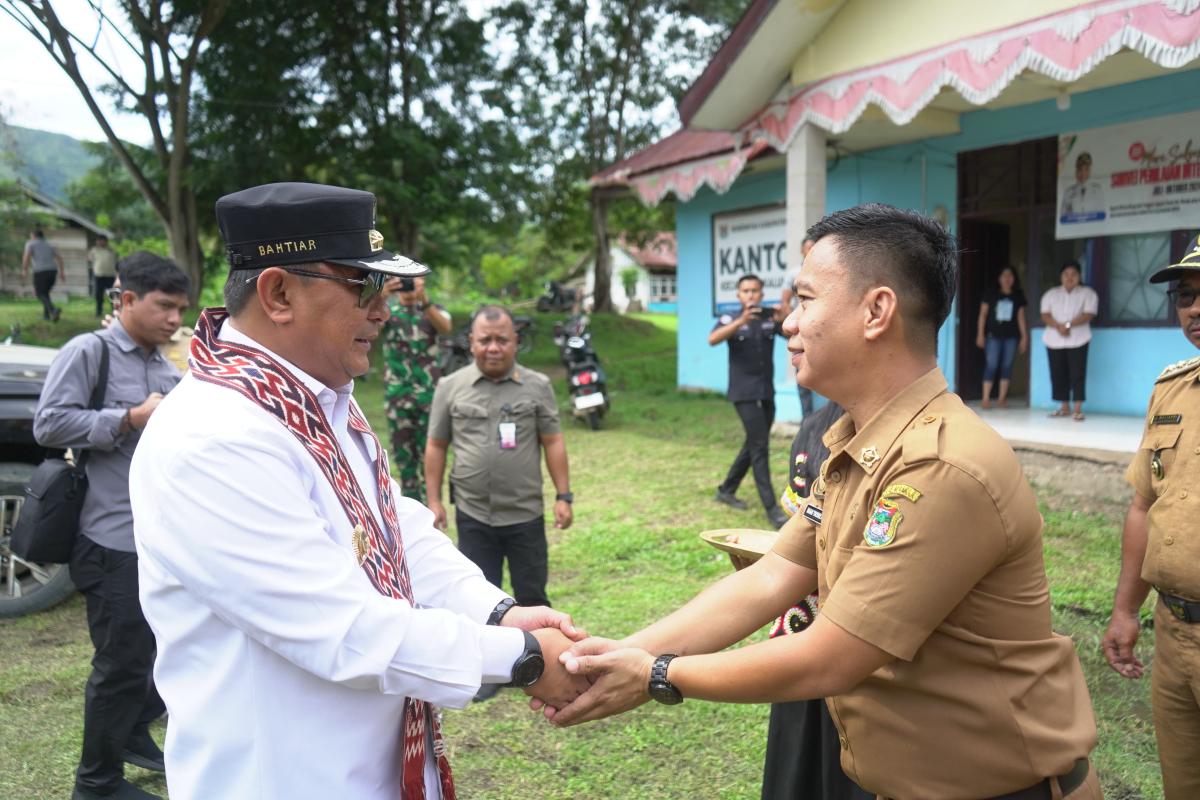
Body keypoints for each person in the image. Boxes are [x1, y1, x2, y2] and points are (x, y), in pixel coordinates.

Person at [543, 204, 1102, 800]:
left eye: (805, 299)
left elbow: (831, 656)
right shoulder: (857, 442)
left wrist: (656, 675)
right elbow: (772, 578)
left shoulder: (940, 464)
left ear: (876, 311)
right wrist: (630, 650)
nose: (788, 322)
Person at [128, 182, 587, 799]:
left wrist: (496, 611)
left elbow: (394, 535)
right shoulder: (214, 437)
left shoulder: (313, 401)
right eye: (362, 286)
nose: (383, 309)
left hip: (372, 763)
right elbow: (341, 628)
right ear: (279, 292)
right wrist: (523, 657)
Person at [34, 253, 191, 800]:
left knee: (161, 651)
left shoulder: (161, 362)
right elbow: (49, 424)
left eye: (180, 309)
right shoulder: (89, 351)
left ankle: (131, 738)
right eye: (164, 306)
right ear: (126, 300)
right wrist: (127, 418)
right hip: (110, 538)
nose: (174, 318)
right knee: (121, 664)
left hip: (157, 539)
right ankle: (95, 783)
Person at [1102, 234, 1200, 799]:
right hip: (1174, 633)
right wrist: (1124, 612)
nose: (1195, 309)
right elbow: (1144, 506)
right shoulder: (1171, 389)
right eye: (1186, 296)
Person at [425, 306, 572, 620]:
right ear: (471, 342)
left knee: (533, 601)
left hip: (525, 515)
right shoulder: (450, 387)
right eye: (485, 340)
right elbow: (437, 445)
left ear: (515, 341)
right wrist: (434, 500)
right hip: (474, 515)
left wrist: (564, 495)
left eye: (502, 340)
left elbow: (553, 441)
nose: (493, 347)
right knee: (480, 604)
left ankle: (539, 666)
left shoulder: (538, 386)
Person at [761, 400, 870, 800]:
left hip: (865, 653)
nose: (789, 332)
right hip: (804, 630)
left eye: (800, 328)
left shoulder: (927, 447)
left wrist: (661, 673)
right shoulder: (816, 428)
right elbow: (796, 541)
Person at [709, 274, 788, 529]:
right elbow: (713, 339)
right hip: (743, 393)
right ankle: (772, 509)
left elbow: (789, 334)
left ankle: (727, 489)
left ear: (762, 294)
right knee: (760, 447)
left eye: (755, 290)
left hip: (766, 391)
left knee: (753, 442)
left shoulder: (767, 319)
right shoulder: (730, 318)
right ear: (739, 295)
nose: (751, 295)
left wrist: (783, 318)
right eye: (746, 291)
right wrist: (741, 320)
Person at [383, 274, 452, 503]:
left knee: (431, 452)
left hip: (429, 395)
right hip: (398, 395)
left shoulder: (432, 310)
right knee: (404, 457)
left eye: (413, 280)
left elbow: (446, 328)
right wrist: (382, 294)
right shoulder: (387, 311)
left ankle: (434, 504)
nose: (408, 285)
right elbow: (362, 321)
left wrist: (425, 300)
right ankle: (413, 506)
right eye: (404, 280)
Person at [1040, 260, 1098, 420]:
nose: (1070, 277)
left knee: (1077, 373)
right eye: (1066, 274)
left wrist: (1068, 325)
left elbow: (1089, 314)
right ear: (1061, 277)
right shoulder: (1051, 294)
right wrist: (1058, 326)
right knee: (1058, 373)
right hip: (1054, 340)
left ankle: (1078, 408)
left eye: (1073, 274)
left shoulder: (1088, 293)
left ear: (1079, 276)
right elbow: (1045, 314)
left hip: (1079, 339)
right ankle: (1064, 407)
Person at [975, 265, 1028, 409]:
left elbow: (1021, 318)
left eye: (1010, 276)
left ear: (1014, 279)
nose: (1007, 279)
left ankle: (1001, 399)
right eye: (1004, 275)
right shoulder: (990, 293)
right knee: (991, 365)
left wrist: (1024, 337)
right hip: (992, 336)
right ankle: (985, 398)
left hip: (1011, 337)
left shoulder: (1018, 295)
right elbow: (983, 315)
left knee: (1007, 366)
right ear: (999, 278)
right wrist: (980, 334)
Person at [781, 237, 817, 417]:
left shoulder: (828, 271)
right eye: (808, 248)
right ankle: (807, 419)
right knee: (802, 374)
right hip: (803, 330)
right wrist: (798, 319)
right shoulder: (794, 273)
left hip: (819, 328)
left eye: (814, 247)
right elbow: (785, 302)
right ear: (801, 251)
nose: (811, 251)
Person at [22, 229, 65, 321]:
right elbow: (60, 258)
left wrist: (24, 270)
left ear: (34, 236)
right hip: (53, 271)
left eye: (31, 236)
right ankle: (47, 316)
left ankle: (53, 310)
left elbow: (27, 257)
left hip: (40, 272)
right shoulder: (50, 244)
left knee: (39, 293)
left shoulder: (30, 243)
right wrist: (62, 272)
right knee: (45, 293)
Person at [1060, 152, 1106, 220]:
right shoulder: (1068, 193)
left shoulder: (1098, 191)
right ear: (1076, 171)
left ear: (1090, 170)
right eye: (1080, 170)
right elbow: (1063, 217)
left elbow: (1102, 215)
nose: (1083, 173)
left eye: (1086, 169)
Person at [88, 235, 119, 317]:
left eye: (103, 240)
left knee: (114, 294)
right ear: (97, 242)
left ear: (106, 241)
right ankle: (98, 311)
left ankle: (116, 311)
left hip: (110, 276)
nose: (101, 242)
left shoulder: (112, 251)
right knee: (99, 295)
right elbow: (89, 259)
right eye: (99, 240)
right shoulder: (94, 250)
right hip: (99, 276)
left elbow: (117, 261)